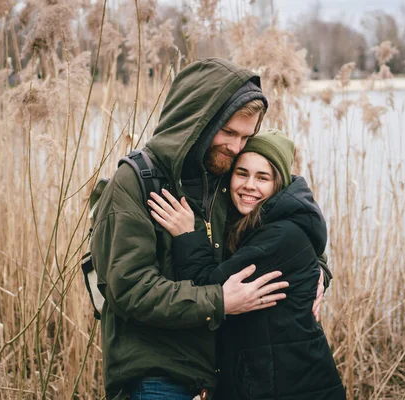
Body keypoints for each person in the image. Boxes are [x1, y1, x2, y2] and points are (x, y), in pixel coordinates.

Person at [90, 58, 327, 399]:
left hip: (217, 374)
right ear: (196, 122)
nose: (236, 147)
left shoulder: (227, 180)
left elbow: (287, 227)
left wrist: (318, 270)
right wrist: (219, 300)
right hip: (155, 373)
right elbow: (128, 289)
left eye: (246, 136)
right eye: (228, 132)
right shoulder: (135, 183)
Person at [148, 130, 346, 400]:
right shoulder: (252, 222)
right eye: (242, 173)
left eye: (262, 177)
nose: (249, 185)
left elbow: (209, 287)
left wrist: (186, 235)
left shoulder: (281, 235)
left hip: (294, 388)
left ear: (279, 184)